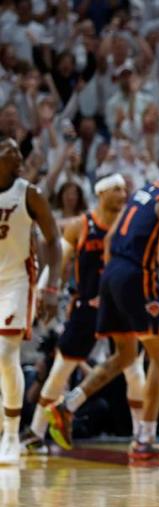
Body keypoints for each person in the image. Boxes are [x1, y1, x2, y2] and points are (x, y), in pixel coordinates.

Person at [46, 155, 159, 462]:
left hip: (112, 273)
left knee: (127, 356)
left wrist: (112, 277)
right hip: (135, 277)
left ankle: (67, 406)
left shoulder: (144, 192)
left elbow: (112, 237)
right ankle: (145, 440)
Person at [23, 175, 147, 454]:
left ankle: (141, 437)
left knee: (135, 371)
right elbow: (59, 262)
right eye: (116, 189)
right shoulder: (81, 225)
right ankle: (35, 432)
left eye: (125, 189)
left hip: (120, 307)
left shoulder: (129, 227)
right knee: (60, 370)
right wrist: (45, 292)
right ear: (101, 193)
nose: (123, 193)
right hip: (86, 307)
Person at [0, 137, 61, 464]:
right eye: (11, 153)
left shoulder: (29, 194)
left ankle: (11, 435)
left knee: (6, 353)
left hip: (17, 282)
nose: (19, 157)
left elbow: (53, 240)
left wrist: (52, 287)